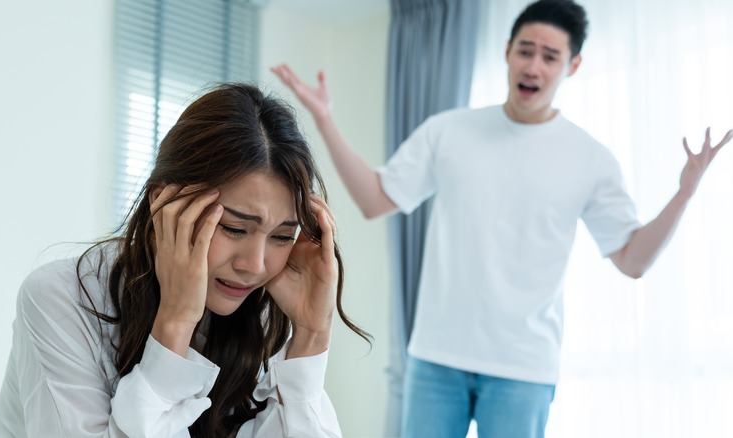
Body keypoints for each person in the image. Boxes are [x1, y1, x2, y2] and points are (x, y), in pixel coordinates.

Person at [271, 0, 733, 437]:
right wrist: (325, 120)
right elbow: (375, 199)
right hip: (435, 358)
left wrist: (684, 193)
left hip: (523, 369)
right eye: (525, 51)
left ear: (572, 66)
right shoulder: (448, 131)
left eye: (550, 56)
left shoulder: (590, 158)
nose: (534, 65)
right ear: (507, 53)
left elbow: (633, 260)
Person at [0, 83, 369, 438]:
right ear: (163, 204)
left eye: (282, 236)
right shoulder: (60, 298)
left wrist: (311, 336)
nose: (254, 265)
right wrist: (174, 324)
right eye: (235, 228)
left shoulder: (259, 303)